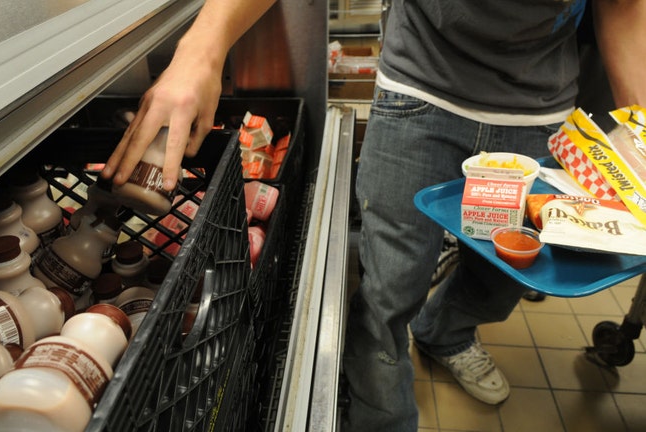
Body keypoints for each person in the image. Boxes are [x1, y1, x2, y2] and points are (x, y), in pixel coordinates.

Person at [101, 1, 646, 431]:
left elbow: (623, 5)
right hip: (421, 95)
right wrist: (202, 49)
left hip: (538, 114)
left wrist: (637, 131)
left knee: (507, 278)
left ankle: (445, 332)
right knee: (388, 297)